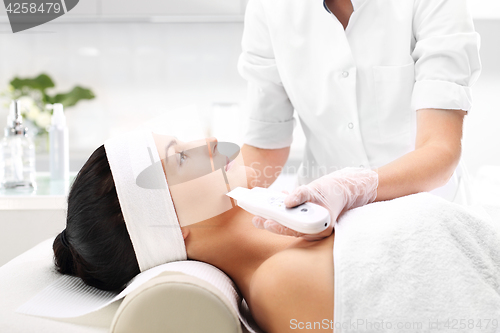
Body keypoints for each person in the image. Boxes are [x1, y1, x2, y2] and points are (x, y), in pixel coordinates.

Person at [53, 131, 500, 333]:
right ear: (172, 226)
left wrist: (360, 188)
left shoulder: (299, 221)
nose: (208, 142)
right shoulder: (283, 286)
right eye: (180, 158)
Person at [238, 0, 482, 237]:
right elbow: (263, 149)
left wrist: (350, 189)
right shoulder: (268, 7)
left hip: (428, 221)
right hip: (324, 226)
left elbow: (439, 148)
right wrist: (214, 191)